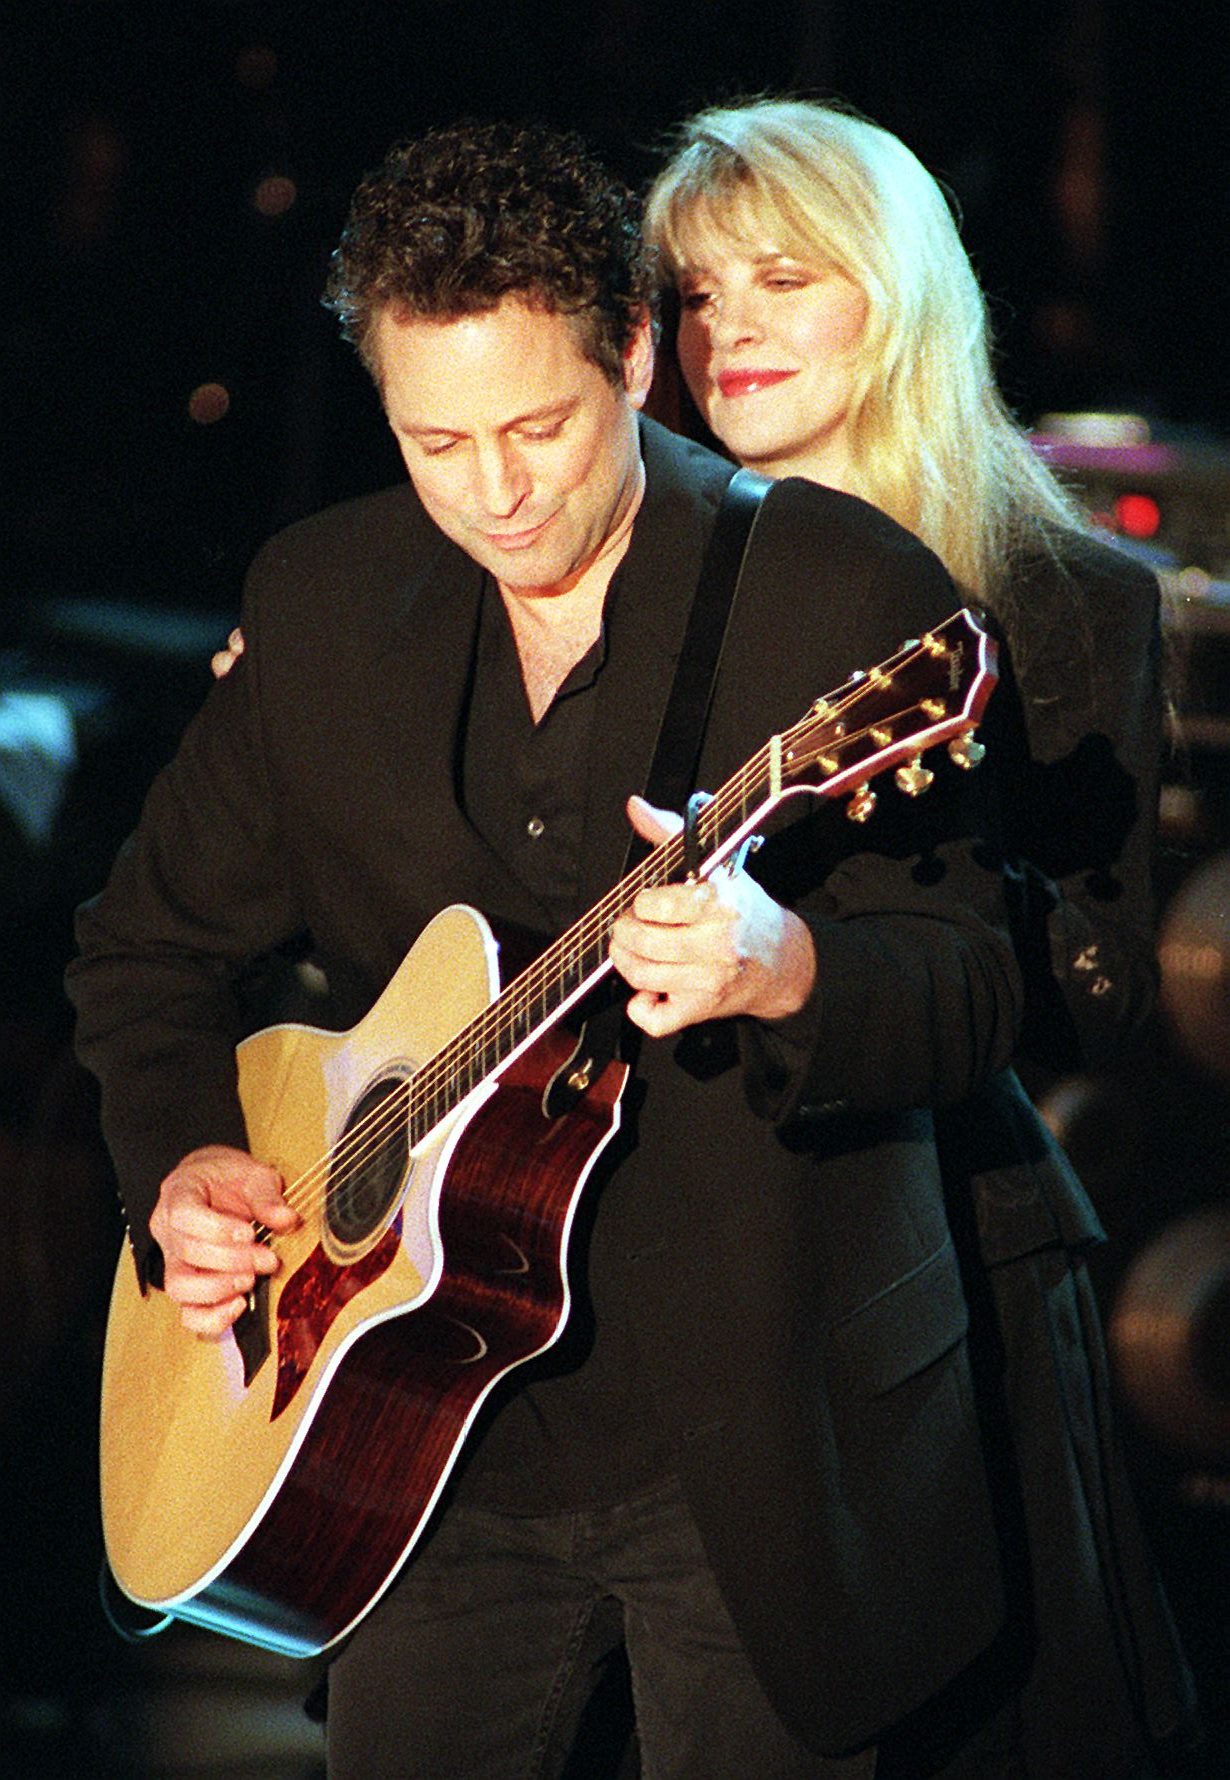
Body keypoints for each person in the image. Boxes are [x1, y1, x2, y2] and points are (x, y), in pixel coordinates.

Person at [66, 119, 1186, 1780]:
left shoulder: (842, 594)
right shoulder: (323, 596)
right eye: (434, 441)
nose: (495, 490)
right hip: (409, 1437)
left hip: (759, 1440)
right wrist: (181, 1164)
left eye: (539, 427)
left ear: (631, 361)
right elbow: (142, 950)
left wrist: (788, 967)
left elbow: (979, 986)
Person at [643, 94, 1197, 1772]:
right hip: (619, 1244)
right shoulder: (618, 566)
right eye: (692, 291)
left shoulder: (1057, 591)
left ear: (894, 294)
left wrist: (829, 934)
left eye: (780, 277)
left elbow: (1086, 994)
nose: (724, 327)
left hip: (906, 1259)